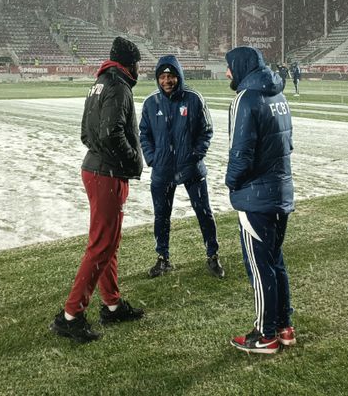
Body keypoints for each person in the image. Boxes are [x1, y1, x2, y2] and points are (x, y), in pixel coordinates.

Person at [50, 37, 145, 343]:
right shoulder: (118, 86)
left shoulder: (100, 84)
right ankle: (71, 315)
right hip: (107, 172)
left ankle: (112, 304)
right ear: (131, 64)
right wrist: (132, 160)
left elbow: (85, 132)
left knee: (107, 242)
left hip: (95, 168)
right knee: (102, 245)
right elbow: (110, 132)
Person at [224, 46, 295, 355]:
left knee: (259, 267)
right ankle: (284, 326)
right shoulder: (278, 97)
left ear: (241, 67)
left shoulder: (245, 99)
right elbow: (288, 144)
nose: (227, 73)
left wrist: (231, 182)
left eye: (229, 67)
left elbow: (240, 152)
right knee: (275, 262)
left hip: (256, 197)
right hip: (280, 191)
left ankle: (264, 334)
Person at [139, 55, 223, 280]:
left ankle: (213, 255)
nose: (167, 81)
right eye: (163, 77)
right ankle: (162, 258)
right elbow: (144, 134)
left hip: (191, 168)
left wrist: (196, 155)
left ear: (179, 77)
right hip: (162, 169)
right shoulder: (150, 103)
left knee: (203, 212)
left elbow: (206, 130)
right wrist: (152, 158)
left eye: (171, 76)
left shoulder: (194, 99)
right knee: (161, 216)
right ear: (158, 79)